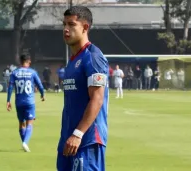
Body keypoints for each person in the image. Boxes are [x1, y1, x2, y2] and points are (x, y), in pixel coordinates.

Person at [57, 6, 109, 171]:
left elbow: (97, 98)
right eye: (64, 24)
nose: (66, 29)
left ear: (85, 27)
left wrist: (78, 134)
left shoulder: (93, 57)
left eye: (71, 24)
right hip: (68, 140)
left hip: (86, 141)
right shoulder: (73, 61)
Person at [7, 54, 45, 152]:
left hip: (18, 102)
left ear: (20, 62)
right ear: (29, 61)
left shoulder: (14, 73)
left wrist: (8, 100)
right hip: (29, 102)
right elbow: (40, 85)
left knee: (21, 123)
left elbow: (10, 87)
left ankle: (24, 143)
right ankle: (25, 142)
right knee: (30, 123)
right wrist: (42, 94)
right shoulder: (32, 72)